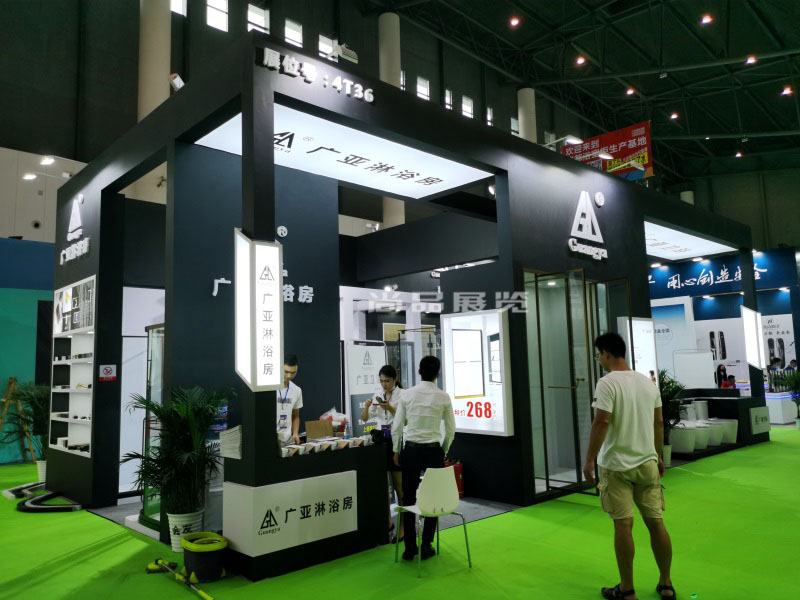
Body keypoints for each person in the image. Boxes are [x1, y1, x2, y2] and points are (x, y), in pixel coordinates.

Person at [583, 333, 675, 600]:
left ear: (606, 353)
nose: (599, 360)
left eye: (598, 355)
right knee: (656, 523)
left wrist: (589, 459)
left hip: (616, 466)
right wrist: (658, 455)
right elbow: (658, 423)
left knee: (623, 526)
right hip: (647, 463)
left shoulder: (607, 383)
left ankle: (627, 589)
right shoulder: (648, 383)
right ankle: (666, 584)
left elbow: (602, 422)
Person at [392, 356, 456, 561]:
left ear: (419, 372)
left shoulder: (407, 394)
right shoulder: (443, 397)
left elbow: (397, 426)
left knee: (408, 497)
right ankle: (427, 544)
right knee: (433, 497)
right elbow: (451, 430)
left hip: (410, 450)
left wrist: (396, 450)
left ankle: (409, 547)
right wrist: (443, 450)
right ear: (438, 373)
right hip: (433, 451)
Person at [361, 364, 404, 542]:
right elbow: (365, 418)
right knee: (383, 487)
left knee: (399, 488)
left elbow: (406, 419)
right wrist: (366, 407)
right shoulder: (377, 394)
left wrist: (390, 408)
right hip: (381, 441)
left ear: (394, 380)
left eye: (387, 381)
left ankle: (403, 526)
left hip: (397, 441)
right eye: (381, 381)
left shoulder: (403, 394)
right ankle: (388, 522)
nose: (384, 384)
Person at [276, 354, 303, 446]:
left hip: (287, 441)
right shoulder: (268, 387)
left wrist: (295, 433)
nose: (289, 376)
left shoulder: (297, 390)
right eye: (286, 371)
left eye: (293, 373)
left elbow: (295, 415)